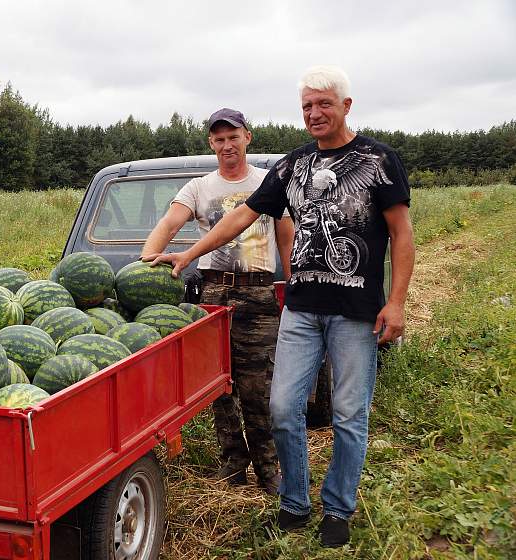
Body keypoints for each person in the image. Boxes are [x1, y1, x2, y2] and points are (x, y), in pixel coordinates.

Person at [143, 66, 414, 547]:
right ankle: (294, 503)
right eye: (307, 105)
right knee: (283, 408)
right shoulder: (292, 166)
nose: (314, 113)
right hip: (301, 310)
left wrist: (396, 303)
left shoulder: (379, 159)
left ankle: (337, 510)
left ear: (345, 106)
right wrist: (189, 253)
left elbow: (401, 233)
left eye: (324, 103)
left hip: (355, 313)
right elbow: (243, 217)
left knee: (349, 415)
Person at [141, 108, 294, 495]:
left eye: (234, 137)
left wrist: (291, 285)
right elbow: (169, 224)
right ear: (211, 143)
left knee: (259, 386)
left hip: (258, 291)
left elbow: (286, 237)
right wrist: (143, 268)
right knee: (218, 385)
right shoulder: (198, 188)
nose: (227, 145)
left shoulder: (269, 182)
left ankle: (267, 466)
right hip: (213, 292)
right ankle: (233, 460)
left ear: (248, 138)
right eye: (219, 139)